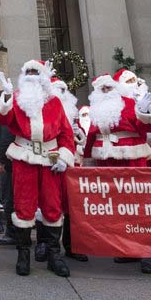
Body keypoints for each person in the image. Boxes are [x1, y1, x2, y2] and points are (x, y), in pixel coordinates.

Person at [0, 60, 76, 278]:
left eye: (35, 72)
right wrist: (5, 97)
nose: (31, 75)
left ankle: (53, 255)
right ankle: (23, 255)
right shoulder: (17, 100)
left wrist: (64, 156)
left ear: (43, 76)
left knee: (52, 207)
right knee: (23, 207)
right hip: (24, 158)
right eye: (28, 71)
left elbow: (66, 134)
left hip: (50, 159)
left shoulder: (55, 103)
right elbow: (3, 118)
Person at [83, 72, 151, 274]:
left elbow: (146, 128)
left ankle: (146, 252)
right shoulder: (96, 109)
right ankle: (126, 248)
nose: (106, 92)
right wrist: (87, 158)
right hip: (107, 158)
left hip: (132, 155)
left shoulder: (129, 102)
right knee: (117, 203)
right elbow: (91, 134)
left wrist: (144, 111)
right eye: (102, 89)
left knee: (139, 201)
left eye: (109, 88)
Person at [50, 77, 87, 262]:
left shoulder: (72, 112)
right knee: (50, 205)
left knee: (72, 205)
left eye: (65, 90)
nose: (63, 94)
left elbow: (80, 135)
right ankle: (48, 246)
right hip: (52, 160)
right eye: (59, 90)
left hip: (71, 161)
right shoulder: (48, 107)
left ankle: (72, 245)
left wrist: (78, 134)